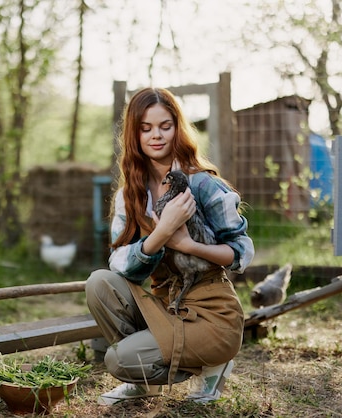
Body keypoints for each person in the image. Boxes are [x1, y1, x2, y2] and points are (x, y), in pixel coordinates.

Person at [86, 87, 254, 406]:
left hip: (211, 311)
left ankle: (214, 366)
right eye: (145, 128)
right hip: (166, 305)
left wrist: (190, 245)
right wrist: (161, 233)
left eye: (165, 126)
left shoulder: (203, 184)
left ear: (178, 128)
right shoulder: (130, 195)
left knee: (117, 360)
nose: (156, 136)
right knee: (99, 283)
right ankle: (143, 381)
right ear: (133, 134)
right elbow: (120, 266)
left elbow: (242, 253)